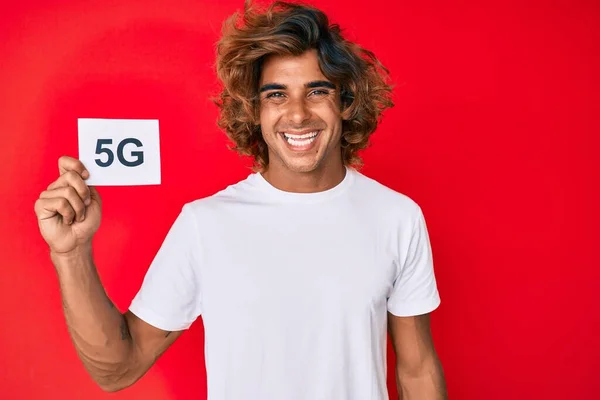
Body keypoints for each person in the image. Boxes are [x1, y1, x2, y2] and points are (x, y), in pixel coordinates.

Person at [34, 1, 447, 399]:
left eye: (317, 91)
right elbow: (117, 370)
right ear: (255, 110)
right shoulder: (205, 224)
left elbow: (417, 370)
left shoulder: (396, 216)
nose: (298, 114)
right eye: (277, 95)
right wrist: (71, 254)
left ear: (345, 102)